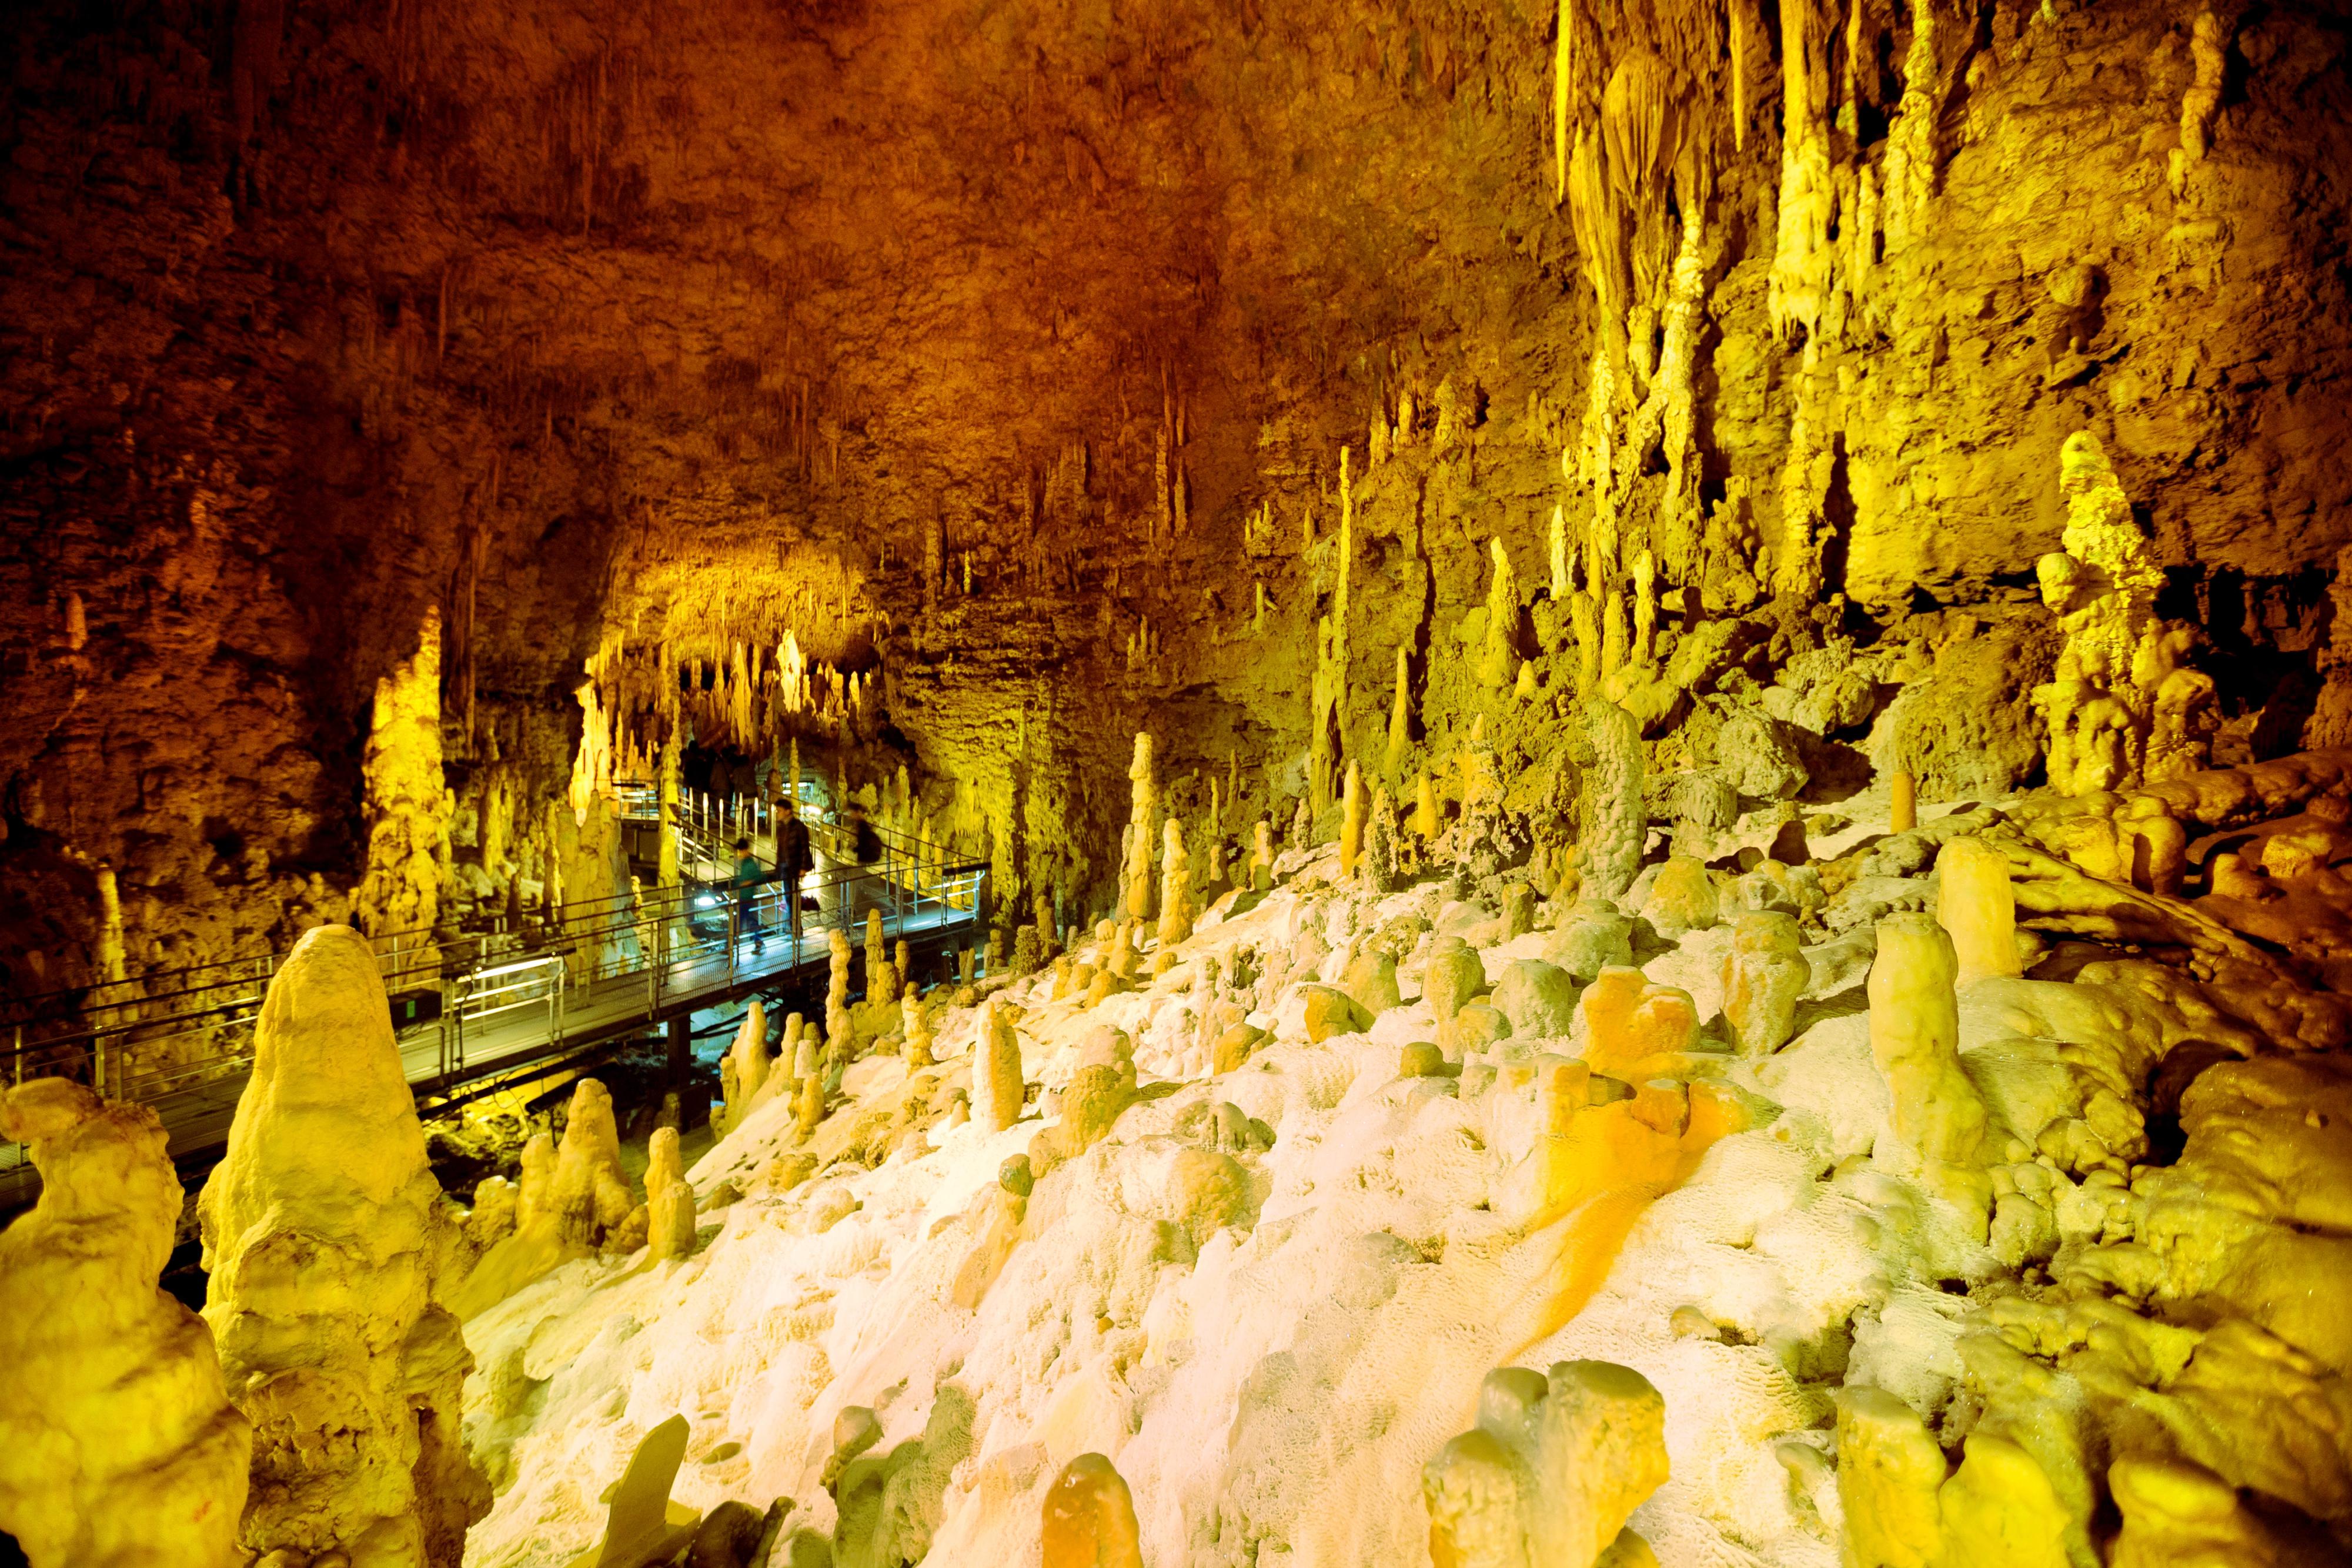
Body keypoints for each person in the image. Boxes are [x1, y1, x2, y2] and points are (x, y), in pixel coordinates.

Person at [773, 799, 814, 946]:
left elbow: (804, 847)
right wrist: (778, 867)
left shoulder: (799, 827)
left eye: (779, 811)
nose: (777, 814)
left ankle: (796, 929)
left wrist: (803, 868)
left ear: (787, 811)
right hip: (785, 866)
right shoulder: (781, 827)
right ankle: (793, 928)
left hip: (794, 867)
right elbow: (781, 849)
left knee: (792, 898)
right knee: (789, 897)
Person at [733, 836, 767, 954]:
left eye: (739, 851)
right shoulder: (746, 863)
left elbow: (760, 876)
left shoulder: (750, 864)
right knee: (749, 921)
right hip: (744, 897)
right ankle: (758, 942)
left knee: (739, 922)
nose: (738, 854)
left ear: (745, 850)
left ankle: (729, 946)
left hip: (746, 898)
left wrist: (749, 882)